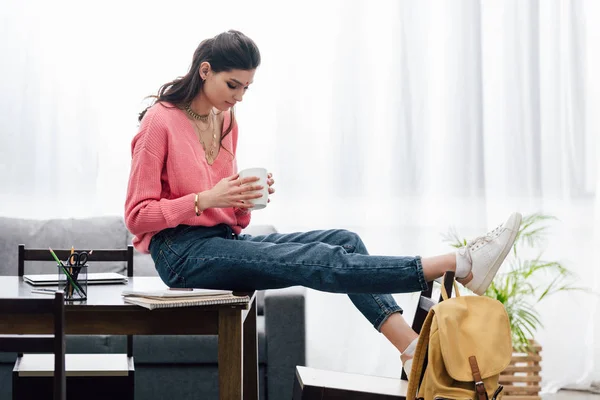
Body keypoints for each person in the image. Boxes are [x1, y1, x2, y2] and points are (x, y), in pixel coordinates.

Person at [124, 29, 522, 376]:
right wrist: (205, 199)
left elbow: (231, 219)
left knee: (344, 240)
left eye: (247, 88)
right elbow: (137, 217)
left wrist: (241, 202)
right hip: (178, 253)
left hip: (222, 241)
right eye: (233, 85)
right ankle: (458, 263)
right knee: (319, 258)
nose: (239, 97)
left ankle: (410, 347)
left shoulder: (225, 121)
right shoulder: (160, 121)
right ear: (205, 70)